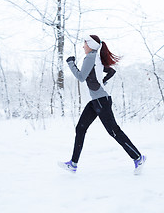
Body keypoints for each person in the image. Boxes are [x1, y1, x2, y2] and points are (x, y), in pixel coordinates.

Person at [58, 35, 146, 175]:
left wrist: (71, 63)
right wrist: (101, 82)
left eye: (84, 44)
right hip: (97, 101)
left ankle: (138, 157)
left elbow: (81, 77)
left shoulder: (91, 57)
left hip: (100, 101)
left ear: (91, 45)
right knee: (80, 128)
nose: (83, 46)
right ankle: (73, 164)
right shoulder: (96, 58)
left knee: (113, 131)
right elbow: (111, 71)